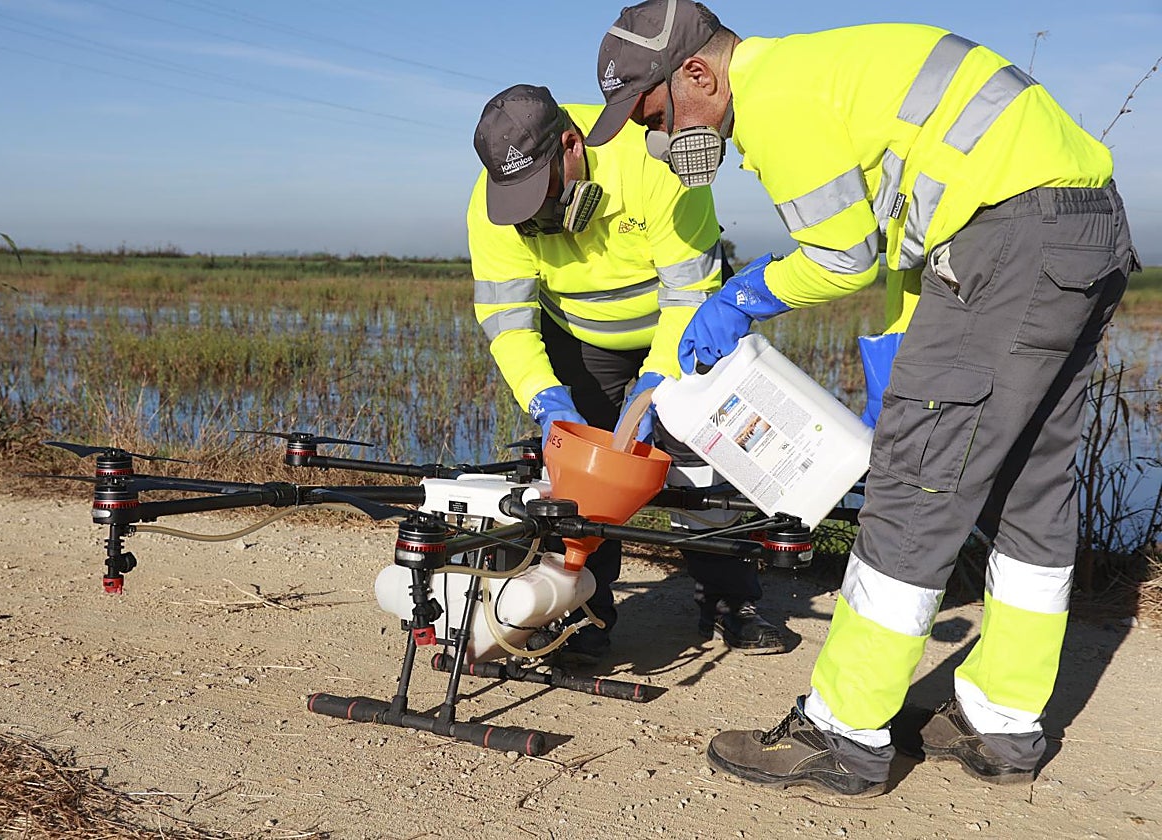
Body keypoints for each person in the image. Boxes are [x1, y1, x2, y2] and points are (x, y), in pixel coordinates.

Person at [587, 0, 1139, 796]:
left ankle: (843, 732)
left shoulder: (778, 102)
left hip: (1007, 241)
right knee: (1031, 487)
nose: (655, 139)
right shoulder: (827, 69)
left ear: (698, 73)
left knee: (914, 490)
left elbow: (840, 257)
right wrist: (895, 346)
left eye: (652, 114)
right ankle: (1003, 722)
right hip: (1081, 228)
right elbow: (911, 227)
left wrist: (746, 295)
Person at [467, 83, 789, 664]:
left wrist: (655, 382)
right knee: (580, 483)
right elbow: (505, 317)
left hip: (684, 329)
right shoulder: (498, 207)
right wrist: (545, 399)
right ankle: (585, 613)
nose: (537, 219)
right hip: (582, 340)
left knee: (704, 465)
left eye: (545, 197)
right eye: (523, 211)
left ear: (572, 145)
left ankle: (728, 601)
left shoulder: (652, 161)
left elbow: (690, 293)